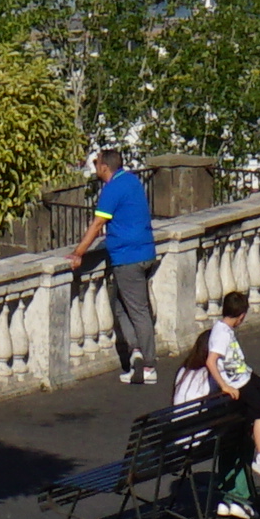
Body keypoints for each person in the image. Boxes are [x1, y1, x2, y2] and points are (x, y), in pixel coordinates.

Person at [191, 284, 260, 517]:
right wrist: (225, 386)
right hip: (238, 383)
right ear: (242, 315)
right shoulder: (221, 334)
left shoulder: (225, 330)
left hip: (245, 374)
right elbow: (211, 361)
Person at [94, 146, 161, 382]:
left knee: (138, 310)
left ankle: (149, 366)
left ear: (105, 167)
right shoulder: (132, 181)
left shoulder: (112, 189)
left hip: (128, 258)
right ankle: (136, 353)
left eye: (96, 163)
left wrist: (79, 251)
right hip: (145, 251)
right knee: (121, 305)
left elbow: (96, 225)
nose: (95, 168)